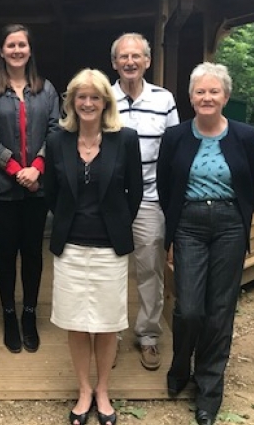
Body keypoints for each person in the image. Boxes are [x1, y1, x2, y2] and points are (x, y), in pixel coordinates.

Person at [157, 63, 254, 425]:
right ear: (190, 97)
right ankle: (180, 364)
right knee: (189, 308)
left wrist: (237, 214)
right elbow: (164, 186)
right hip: (188, 223)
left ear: (226, 97)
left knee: (220, 310)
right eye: (200, 92)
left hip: (229, 225)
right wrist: (174, 229)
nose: (207, 97)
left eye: (213, 91)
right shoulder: (175, 137)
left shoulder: (245, 136)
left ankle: (208, 391)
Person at [44, 68, 143, 425]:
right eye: (80, 97)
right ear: (71, 102)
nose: (87, 103)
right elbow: (52, 193)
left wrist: (114, 225)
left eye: (95, 97)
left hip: (109, 249)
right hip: (70, 246)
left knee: (105, 323)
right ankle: (83, 389)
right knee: (75, 321)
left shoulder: (126, 140)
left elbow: (135, 193)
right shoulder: (57, 140)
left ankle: (103, 389)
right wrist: (73, 222)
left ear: (105, 102)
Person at [0, 23, 60, 353]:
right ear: (1, 50)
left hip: (37, 188)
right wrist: (16, 169)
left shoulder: (46, 89)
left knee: (33, 254)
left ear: (29, 50)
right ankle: (8, 313)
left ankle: (29, 314)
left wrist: (37, 167)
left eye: (22, 44)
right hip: (1, 187)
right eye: (10, 45)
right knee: (5, 253)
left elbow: (55, 131)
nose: (16, 50)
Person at [110, 33, 179, 371]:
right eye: (124, 57)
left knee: (149, 267)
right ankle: (110, 336)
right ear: (115, 63)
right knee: (110, 268)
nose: (130, 62)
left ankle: (148, 335)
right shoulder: (103, 98)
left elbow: (175, 150)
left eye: (136, 56)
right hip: (110, 201)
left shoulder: (164, 99)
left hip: (150, 198)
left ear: (147, 61)